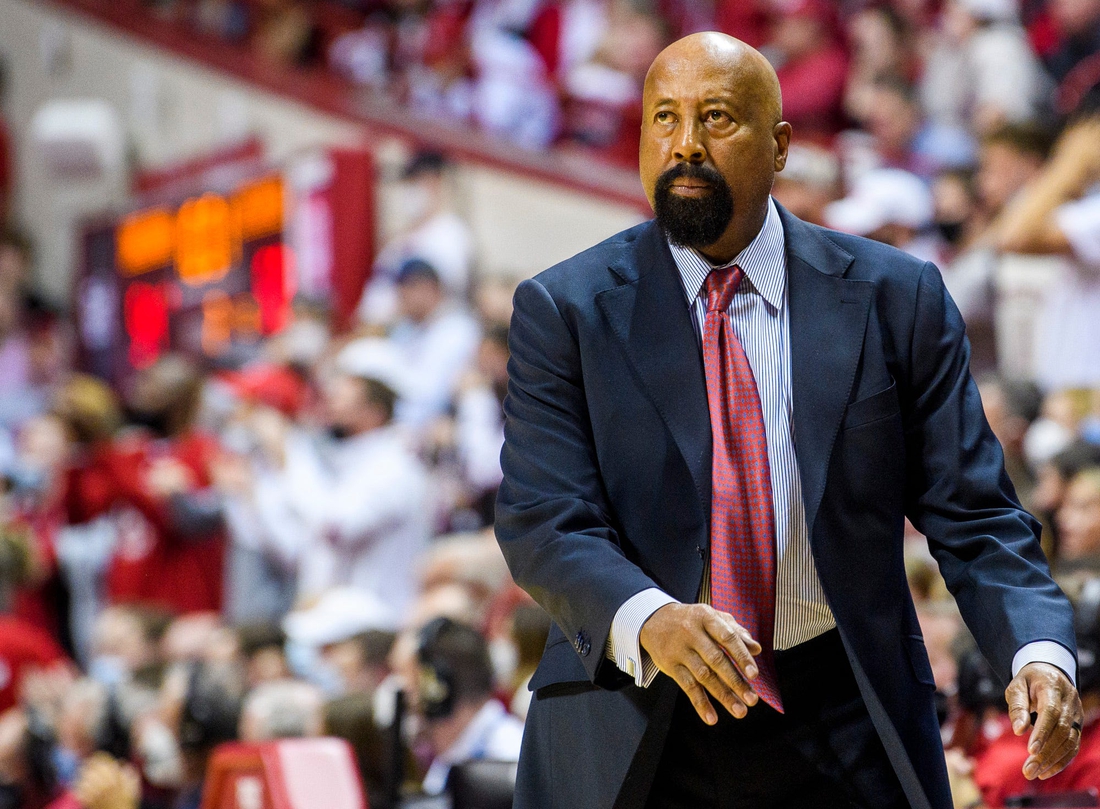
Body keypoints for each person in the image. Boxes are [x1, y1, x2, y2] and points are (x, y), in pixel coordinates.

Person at [495, 32, 1081, 809]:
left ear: (779, 148)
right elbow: (543, 520)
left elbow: (974, 513)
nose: (686, 144)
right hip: (636, 708)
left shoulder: (894, 297)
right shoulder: (564, 309)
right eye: (662, 119)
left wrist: (1037, 649)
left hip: (841, 703)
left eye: (716, 118)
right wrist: (653, 616)